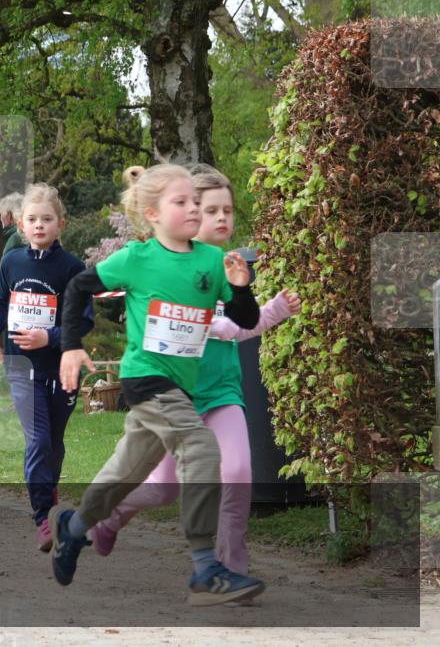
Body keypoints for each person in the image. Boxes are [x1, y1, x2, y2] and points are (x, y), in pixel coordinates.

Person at [50, 163, 266, 607]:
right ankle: (205, 569)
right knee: (201, 448)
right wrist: (70, 346)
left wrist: (241, 288)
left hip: (180, 388)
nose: (194, 209)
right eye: (182, 202)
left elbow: (246, 320)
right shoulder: (136, 259)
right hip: (145, 378)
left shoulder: (212, 262)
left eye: (196, 201)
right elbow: (76, 288)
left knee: (125, 474)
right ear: (153, 214)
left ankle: (73, 527)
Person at [89, 165, 301, 578]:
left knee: (237, 473)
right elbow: (195, 325)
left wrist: (273, 310)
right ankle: (109, 519)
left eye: (228, 210)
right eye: (210, 210)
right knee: (162, 489)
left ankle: (229, 568)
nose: (222, 218)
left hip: (222, 393)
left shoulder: (228, 267)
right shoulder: (168, 269)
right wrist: (222, 324)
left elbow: (241, 325)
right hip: (173, 397)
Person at [0, 183, 93, 551]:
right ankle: (43, 516)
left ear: (61, 224)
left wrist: (50, 336)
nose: (39, 225)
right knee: (39, 440)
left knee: (54, 444)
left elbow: (84, 320)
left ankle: (50, 492)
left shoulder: (72, 268)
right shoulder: (11, 262)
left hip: (62, 369)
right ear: (20, 225)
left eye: (47, 219)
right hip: (21, 367)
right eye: (32, 219)